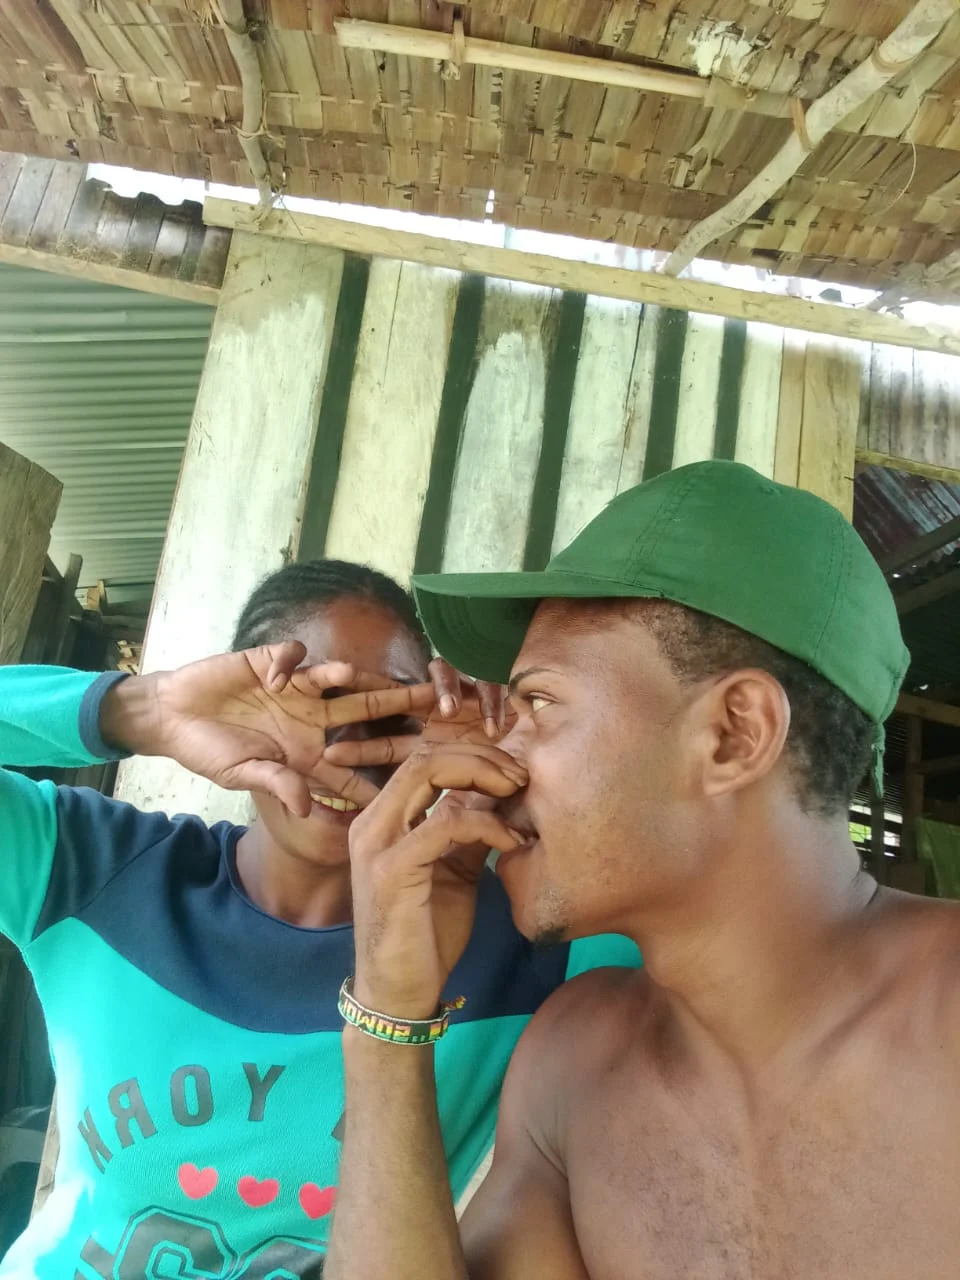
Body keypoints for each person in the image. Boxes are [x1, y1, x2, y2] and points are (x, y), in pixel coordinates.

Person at [325, 460, 960, 1280]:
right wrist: (386, 1018)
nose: (489, 765)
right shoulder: (573, 1067)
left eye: (538, 703)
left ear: (733, 735)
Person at [0, 559, 639, 1277]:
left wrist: (530, 745)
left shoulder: (522, 933)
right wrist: (145, 709)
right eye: (318, 705)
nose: (350, 754)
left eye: (391, 715)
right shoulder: (91, 868)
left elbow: (697, 888)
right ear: (234, 708)